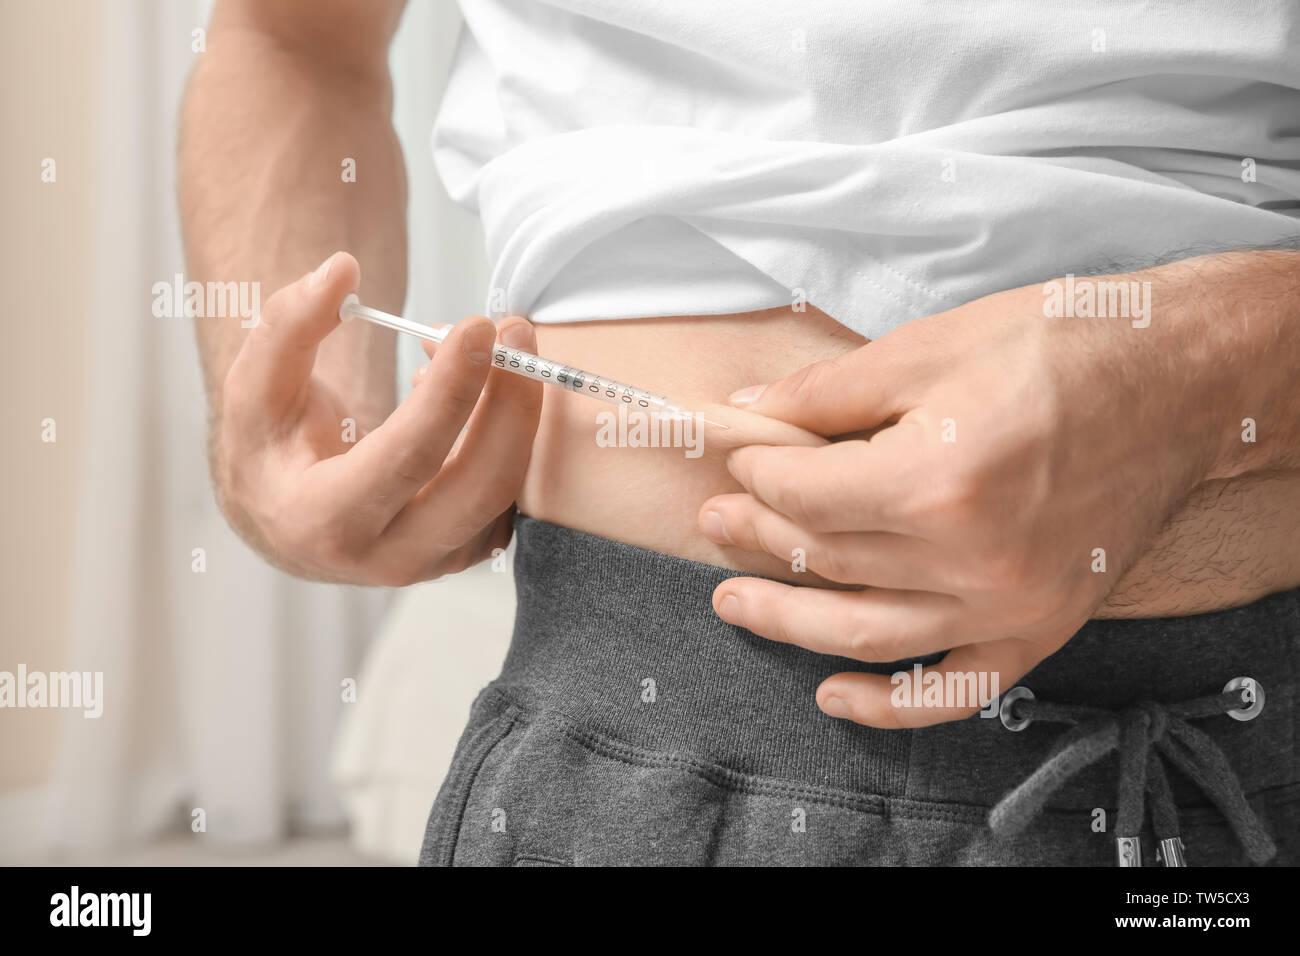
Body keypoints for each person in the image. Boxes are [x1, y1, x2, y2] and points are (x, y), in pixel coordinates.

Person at [180, 0, 1300, 865]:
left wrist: (1204, 364)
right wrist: (286, 431)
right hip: (629, 770)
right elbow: (291, 36)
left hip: (1237, 762)